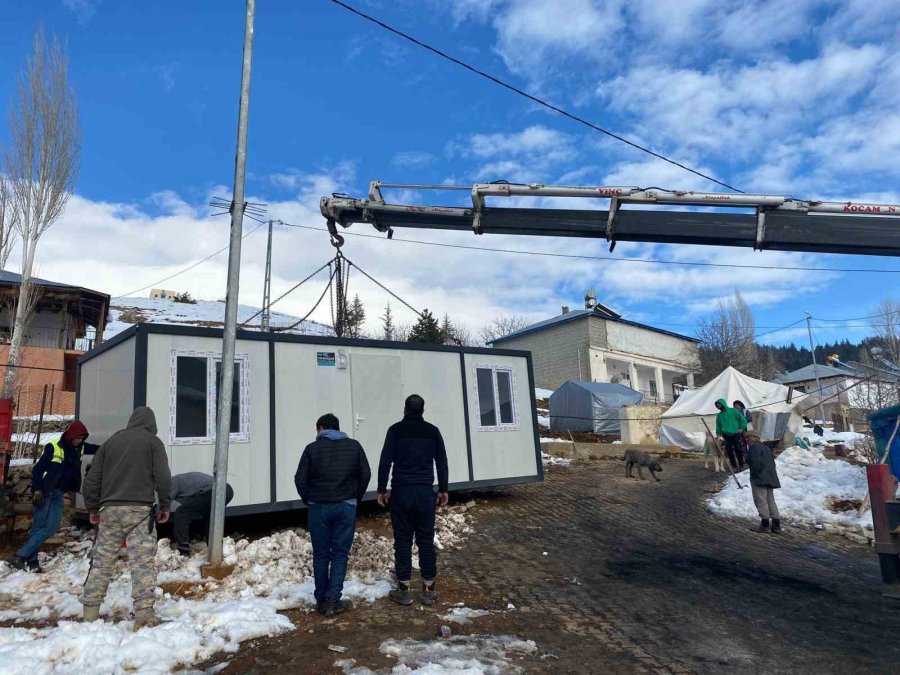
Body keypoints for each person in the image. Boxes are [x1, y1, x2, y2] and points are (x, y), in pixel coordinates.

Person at [81, 407, 172, 627]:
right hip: (139, 512)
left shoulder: (111, 442)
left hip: (109, 511)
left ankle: (90, 615)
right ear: (152, 425)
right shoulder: (153, 442)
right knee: (141, 564)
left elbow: (91, 480)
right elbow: (163, 476)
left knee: (102, 562)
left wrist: (93, 508)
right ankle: (144, 616)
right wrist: (165, 505)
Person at [295, 413, 371, 617]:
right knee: (339, 554)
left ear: (320, 428)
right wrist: (356, 497)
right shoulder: (354, 446)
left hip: (318, 507)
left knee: (321, 554)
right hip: (345, 506)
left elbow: (300, 479)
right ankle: (332, 600)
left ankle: (320, 599)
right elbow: (366, 473)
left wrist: (308, 499)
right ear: (338, 428)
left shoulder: (312, 449)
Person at [377, 394, 449, 607]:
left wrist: (382, 489)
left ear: (405, 409)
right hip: (426, 493)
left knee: (403, 541)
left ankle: (404, 590)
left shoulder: (395, 430)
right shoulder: (433, 431)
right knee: (426, 540)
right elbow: (442, 462)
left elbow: (385, 461)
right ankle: (429, 589)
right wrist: (443, 489)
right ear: (422, 410)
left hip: (401, 493)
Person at [8, 421, 90, 572]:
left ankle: (20, 556)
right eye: (78, 437)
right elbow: (38, 469)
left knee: (51, 527)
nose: (80, 441)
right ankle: (32, 563)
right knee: (39, 527)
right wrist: (37, 490)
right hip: (46, 492)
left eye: (82, 438)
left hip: (58, 493)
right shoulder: (53, 446)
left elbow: (99, 447)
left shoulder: (80, 447)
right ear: (71, 435)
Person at [170, 472, 234, 556]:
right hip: (226, 489)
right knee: (209, 518)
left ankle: (183, 549)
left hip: (216, 489)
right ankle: (214, 550)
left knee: (181, 513)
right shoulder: (179, 480)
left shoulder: (170, 482)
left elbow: (165, 501)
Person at [746, 430, 782, 534]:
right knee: (770, 500)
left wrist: (755, 475)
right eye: (746, 438)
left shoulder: (754, 448)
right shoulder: (766, 448)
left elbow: (755, 463)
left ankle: (765, 524)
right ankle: (776, 525)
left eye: (749, 437)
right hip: (770, 477)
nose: (747, 440)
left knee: (760, 500)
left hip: (760, 477)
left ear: (754, 438)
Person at [715, 398, 747, 471]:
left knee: (738, 449)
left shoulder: (734, 411)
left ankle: (741, 465)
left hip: (735, 434)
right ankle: (734, 466)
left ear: (723, 403)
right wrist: (718, 434)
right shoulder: (719, 415)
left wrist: (741, 428)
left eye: (719, 404)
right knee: (729, 451)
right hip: (726, 435)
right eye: (717, 405)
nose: (718, 406)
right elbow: (718, 426)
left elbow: (743, 420)